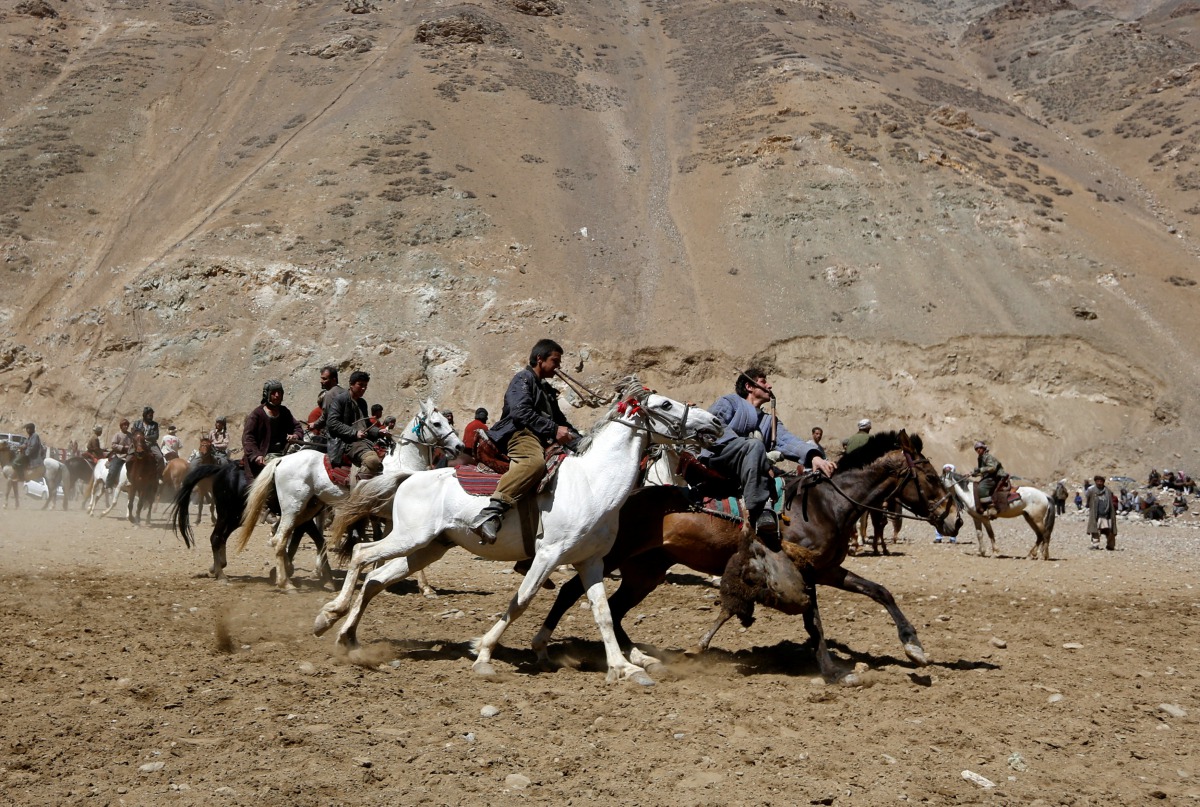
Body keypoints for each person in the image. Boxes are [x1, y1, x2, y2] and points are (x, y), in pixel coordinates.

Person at [704, 367, 835, 543]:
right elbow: (713, 426)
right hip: (721, 458)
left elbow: (788, 441)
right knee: (755, 445)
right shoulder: (729, 402)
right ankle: (758, 510)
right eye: (764, 381)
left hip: (754, 467)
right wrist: (754, 453)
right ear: (749, 386)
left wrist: (814, 457)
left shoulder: (768, 421)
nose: (770, 385)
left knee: (788, 481)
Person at [473, 339, 580, 544]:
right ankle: (491, 511)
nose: (558, 366)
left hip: (541, 437)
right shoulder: (523, 379)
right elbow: (520, 412)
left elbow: (561, 422)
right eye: (555, 361)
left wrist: (582, 442)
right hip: (520, 434)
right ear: (540, 359)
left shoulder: (547, 391)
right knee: (533, 463)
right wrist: (554, 429)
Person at [322, 370, 382, 478]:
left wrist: (379, 432)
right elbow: (332, 423)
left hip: (364, 441)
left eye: (365, 385)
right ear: (351, 384)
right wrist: (354, 433)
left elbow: (367, 425)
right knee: (372, 460)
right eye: (360, 385)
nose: (363, 388)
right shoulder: (340, 399)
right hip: (346, 442)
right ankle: (359, 490)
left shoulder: (362, 403)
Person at [242, 380, 303, 481]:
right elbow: (248, 438)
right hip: (262, 458)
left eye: (279, 392)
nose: (277, 395)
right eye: (274, 392)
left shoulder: (284, 411)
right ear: (267, 395)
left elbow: (297, 427)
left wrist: (295, 435)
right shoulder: (257, 414)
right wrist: (256, 455)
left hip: (282, 454)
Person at [970, 440, 1005, 517]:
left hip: (994, 476)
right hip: (987, 476)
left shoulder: (988, 457)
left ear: (984, 448)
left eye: (980, 448)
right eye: (976, 449)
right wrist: (974, 474)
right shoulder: (980, 458)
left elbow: (992, 468)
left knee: (981, 488)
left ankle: (991, 507)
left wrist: (980, 470)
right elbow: (982, 471)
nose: (978, 450)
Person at [130, 406, 165, 476]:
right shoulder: (137, 423)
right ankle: (129, 476)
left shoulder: (154, 424)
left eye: (152, 415)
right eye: (149, 415)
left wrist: (146, 437)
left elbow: (156, 436)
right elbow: (133, 434)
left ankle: (158, 475)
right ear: (145, 415)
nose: (151, 417)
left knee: (160, 457)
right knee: (128, 459)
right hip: (138, 444)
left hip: (151, 444)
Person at [1085, 475, 1117, 550]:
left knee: (1110, 531)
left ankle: (1110, 545)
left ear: (1103, 482)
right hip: (1097, 514)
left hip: (1107, 515)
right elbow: (1088, 500)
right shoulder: (1091, 491)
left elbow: (1112, 501)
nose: (1099, 483)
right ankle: (1095, 545)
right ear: (1095, 482)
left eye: (1101, 481)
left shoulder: (1108, 491)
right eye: (1098, 481)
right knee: (1095, 530)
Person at [311, 366, 343, 433]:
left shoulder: (329, 394)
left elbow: (326, 416)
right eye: (321, 378)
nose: (321, 381)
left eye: (324, 379)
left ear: (334, 379)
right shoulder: (344, 392)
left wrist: (314, 424)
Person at [106, 418, 133, 488]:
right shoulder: (117, 435)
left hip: (128, 456)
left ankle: (130, 481)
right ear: (121, 426)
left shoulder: (130, 435)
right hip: (119, 455)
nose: (126, 426)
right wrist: (123, 447)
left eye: (127, 425)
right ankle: (108, 485)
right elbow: (113, 445)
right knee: (113, 469)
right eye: (124, 425)